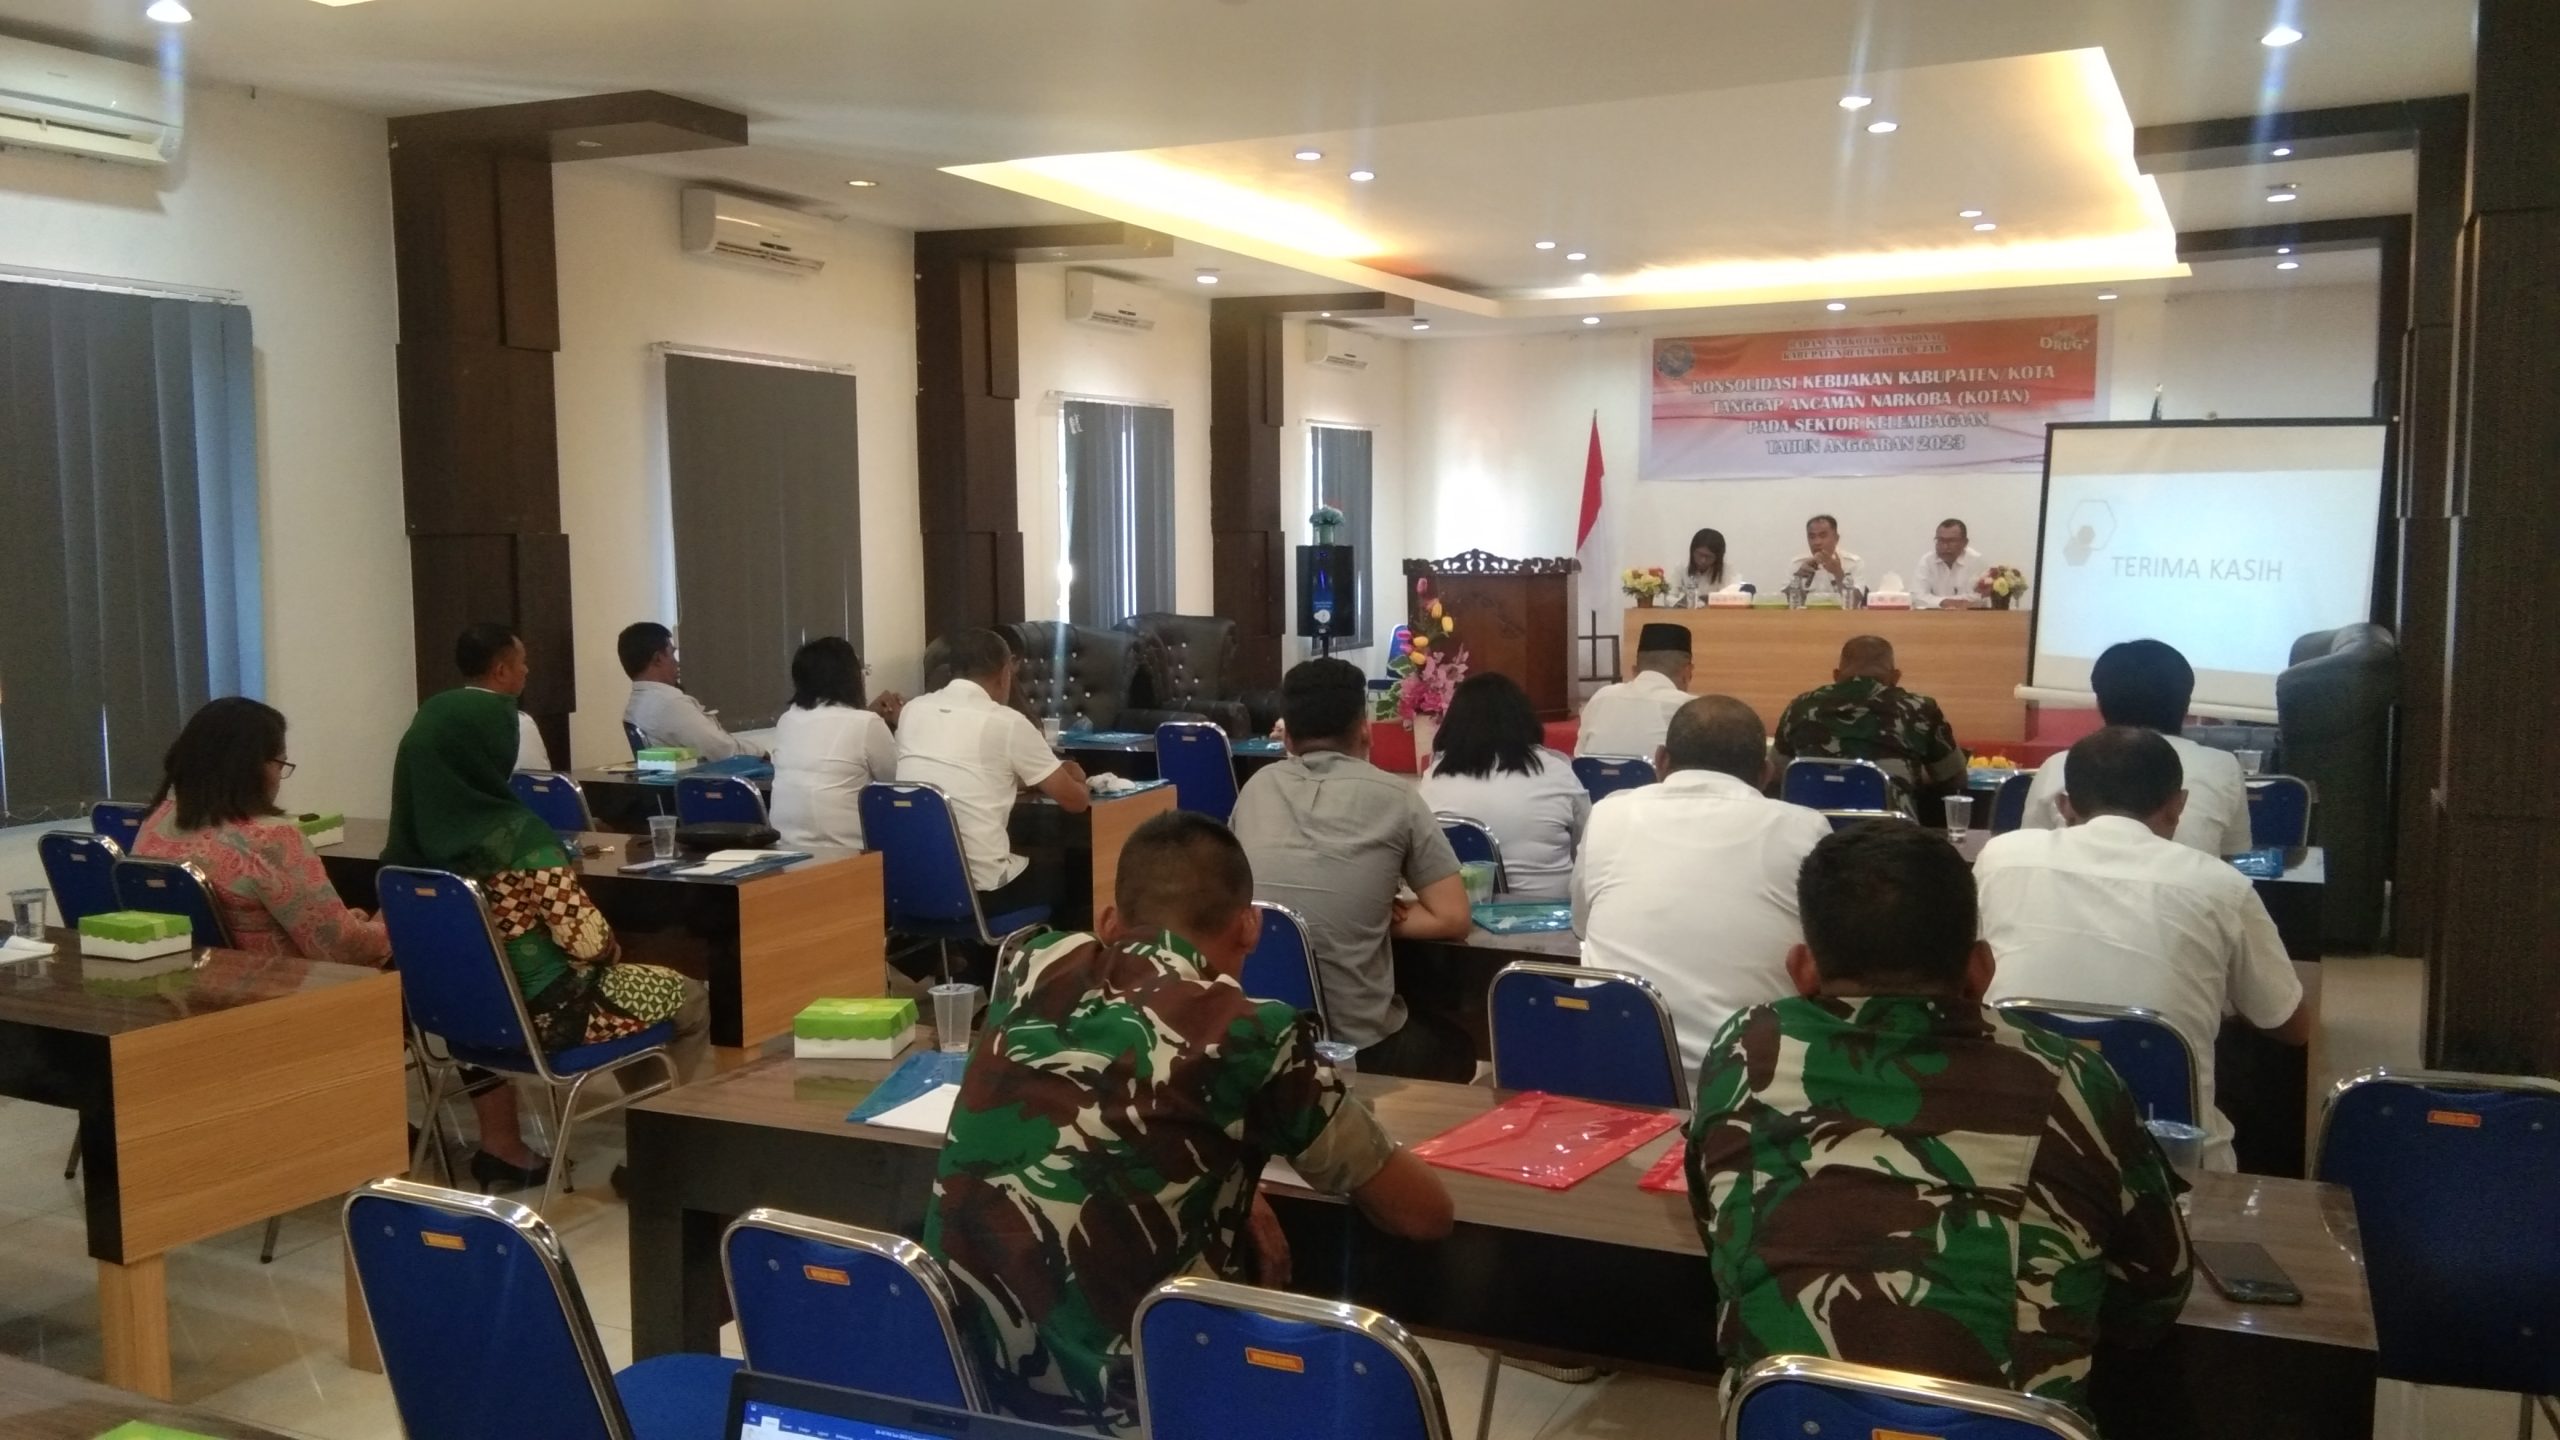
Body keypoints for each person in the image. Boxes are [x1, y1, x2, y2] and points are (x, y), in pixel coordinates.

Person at [925, 811, 1455, 1435]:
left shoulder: (1032, 963)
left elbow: (1108, 1107)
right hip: (1130, 1409)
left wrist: (1228, 1171)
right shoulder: (1251, 1032)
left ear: (1108, 924)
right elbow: (1424, 1215)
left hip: (958, 1387)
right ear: (1250, 926)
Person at [1686, 822, 2192, 1423]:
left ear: (1803, 969)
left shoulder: (1744, 1048)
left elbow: (1714, 1224)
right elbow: (2155, 1293)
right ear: (1981, 970)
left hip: (1785, 1424)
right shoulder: (2071, 1079)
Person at [383, 688, 712, 1183]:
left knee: (628, 993)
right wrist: (609, 946)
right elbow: (586, 942)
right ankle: (658, 1159)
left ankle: (630, 1139)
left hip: (458, 1020)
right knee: (688, 998)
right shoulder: (517, 836)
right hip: (551, 1015)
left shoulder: (406, 845)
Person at [1979, 727, 2310, 1170]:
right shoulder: (2221, 885)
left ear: (2064, 805)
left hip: (2012, 1146)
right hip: (2171, 1163)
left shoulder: (2000, 857)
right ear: (2178, 805)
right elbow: (2291, 1025)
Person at [1231, 657, 1474, 1080]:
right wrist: (1372, 913)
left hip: (1258, 1035)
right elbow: (1453, 917)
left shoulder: (1255, 790)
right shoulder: (1396, 796)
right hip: (1357, 1048)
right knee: (1458, 1048)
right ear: (1364, 728)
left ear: (1288, 737)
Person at [1572, 696, 1831, 1079]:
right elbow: (1827, 961)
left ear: (1661, 760)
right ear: (1766, 773)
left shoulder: (1608, 814)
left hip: (1612, 1078)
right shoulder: (1806, 829)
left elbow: (1581, 926)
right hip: (1754, 1088)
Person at [133, 697, 390, 968]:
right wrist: (392, 922)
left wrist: (343, 923)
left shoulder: (157, 820)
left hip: (188, 981)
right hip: (280, 987)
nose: (279, 778)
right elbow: (343, 949)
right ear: (254, 767)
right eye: (280, 764)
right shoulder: (271, 839)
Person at [896, 628, 1088, 921]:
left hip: (909, 887)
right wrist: (1076, 777)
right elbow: (1076, 802)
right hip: (981, 893)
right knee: (1075, 874)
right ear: (1004, 673)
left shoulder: (912, 711)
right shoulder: (1008, 723)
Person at [2020, 639, 2253, 855]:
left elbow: (2032, 849)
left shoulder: (2058, 765)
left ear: (2100, 703)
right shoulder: (2222, 766)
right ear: (2186, 704)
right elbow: (2228, 858)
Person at [1419, 673, 1589, 900]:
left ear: (1454, 723)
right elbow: (1588, 846)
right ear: (1524, 718)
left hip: (1463, 910)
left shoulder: (1435, 777)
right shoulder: (1557, 772)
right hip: (1549, 912)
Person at [1773, 634, 1966, 811]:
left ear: (1836, 676)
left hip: (1811, 826)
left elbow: (1777, 773)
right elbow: (1955, 780)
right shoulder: (1920, 708)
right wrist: (1908, 776)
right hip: (1890, 830)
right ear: (1895, 677)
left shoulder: (1801, 706)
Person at [769, 637, 899, 850]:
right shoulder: (867, 724)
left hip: (786, 848)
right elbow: (897, 782)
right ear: (849, 678)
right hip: (847, 852)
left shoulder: (787, 720)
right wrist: (900, 721)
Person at [618, 621, 767, 759]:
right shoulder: (670, 704)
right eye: (672, 654)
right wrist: (762, 752)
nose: (676, 662)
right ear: (658, 659)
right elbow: (722, 750)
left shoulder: (635, 705)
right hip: (713, 775)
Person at [1575, 622, 1694, 760]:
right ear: (1688, 672)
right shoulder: (1688, 708)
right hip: (1656, 775)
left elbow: (1579, 757)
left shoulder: (1601, 697)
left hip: (1594, 775)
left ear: (1634, 671)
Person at [455, 621, 551, 771]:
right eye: (522, 662)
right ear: (501, 671)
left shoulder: (439, 716)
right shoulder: (516, 724)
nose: (526, 670)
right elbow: (535, 783)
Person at [1912, 517, 1984, 609]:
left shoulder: (1976, 561)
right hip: (1935, 616)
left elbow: (1980, 598)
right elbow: (1917, 597)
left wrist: (1936, 601)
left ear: (1965, 543)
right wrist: (1943, 602)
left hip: (1970, 616)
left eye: (1951, 541)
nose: (1945, 546)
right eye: (1940, 540)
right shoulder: (1927, 561)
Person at [1788, 513, 1861, 597]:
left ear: (1836, 538)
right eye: (1812, 537)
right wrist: (1798, 576)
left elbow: (1855, 601)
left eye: (1823, 536)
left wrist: (1838, 573)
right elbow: (1784, 601)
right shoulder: (1797, 564)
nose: (1817, 542)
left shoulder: (1853, 563)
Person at [1673, 526, 1731, 606]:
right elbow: (1670, 596)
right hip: (1688, 611)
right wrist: (1683, 602)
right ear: (1692, 551)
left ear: (1717, 557)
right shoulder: (1681, 567)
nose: (1703, 560)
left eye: (1709, 557)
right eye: (1699, 554)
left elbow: (1734, 597)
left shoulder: (1727, 570)